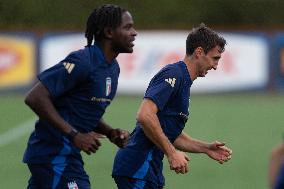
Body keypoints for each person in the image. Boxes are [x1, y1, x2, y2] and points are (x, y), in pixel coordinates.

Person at [23, 4, 137, 189]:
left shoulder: (113, 68)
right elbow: (35, 97)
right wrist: (74, 135)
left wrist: (110, 132)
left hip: (64, 156)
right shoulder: (83, 61)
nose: (134, 33)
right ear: (109, 32)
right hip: (52, 155)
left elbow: (82, 109)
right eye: (127, 27)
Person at [112, 24, 233, 189]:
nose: (215, 66)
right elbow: (145, 115)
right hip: (138, 167)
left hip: (147, 170)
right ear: (199, 52)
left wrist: (206, 148)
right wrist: (172, 153)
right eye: (215, 58)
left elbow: (170, 133)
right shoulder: (173, 74)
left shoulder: (184, 80)